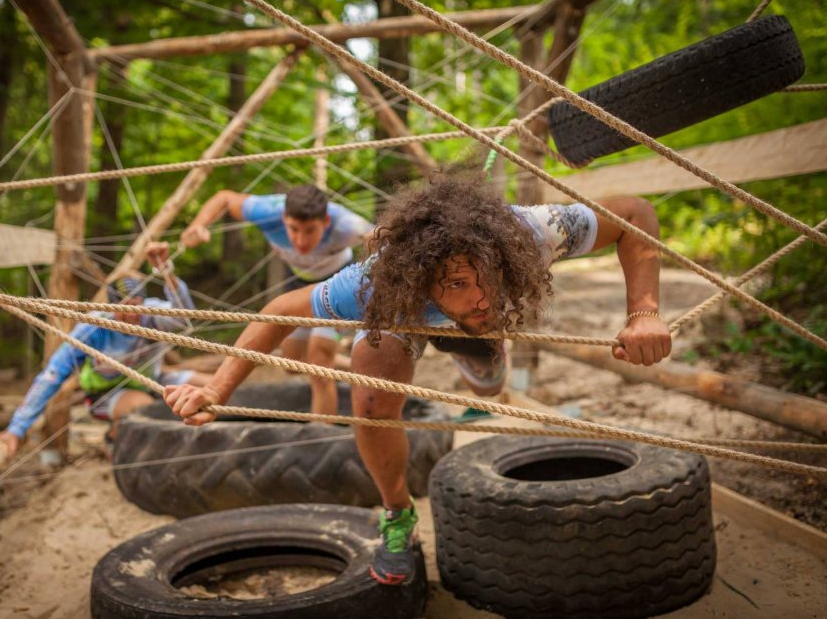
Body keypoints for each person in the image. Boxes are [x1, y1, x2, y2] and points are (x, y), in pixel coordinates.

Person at [165, 170, 673, 586]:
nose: (478, 292)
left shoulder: (533, 231)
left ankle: (479, 357)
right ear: (423, 276)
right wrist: (216, 390)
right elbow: (279, 311)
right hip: (401, 318)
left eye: (483, 275)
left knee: (487, 383)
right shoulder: (371, 284)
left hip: (478, 331)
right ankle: (397, 516)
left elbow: (635, 214)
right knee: (369, 404)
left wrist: (643, 313)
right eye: (456, 282)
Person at [0, 242, 210, 457]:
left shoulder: (152, 313)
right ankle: (114, 440)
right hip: (105, 395)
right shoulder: (92, 328)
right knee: (143, 407)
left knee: (210, 386)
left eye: (138, 306)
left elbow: (182, 318)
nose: (134, 314)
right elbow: (52, 375)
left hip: (155, 379)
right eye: (126, 307)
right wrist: (15, 430)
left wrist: (165, 271)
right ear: (112, 306)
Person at [181, 184, 373, 416]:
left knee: (320, 361)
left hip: (336, 282)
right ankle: (346, 363)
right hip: (298, 280)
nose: (301, 240)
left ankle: (318, 436)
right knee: (293, 360)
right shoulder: (267, 212)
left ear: (326, 223)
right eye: (293, 229)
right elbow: (224, 197)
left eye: (310, 230)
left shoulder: (348, 225)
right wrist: (198, 225)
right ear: (283, 218)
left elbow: (383, 239)